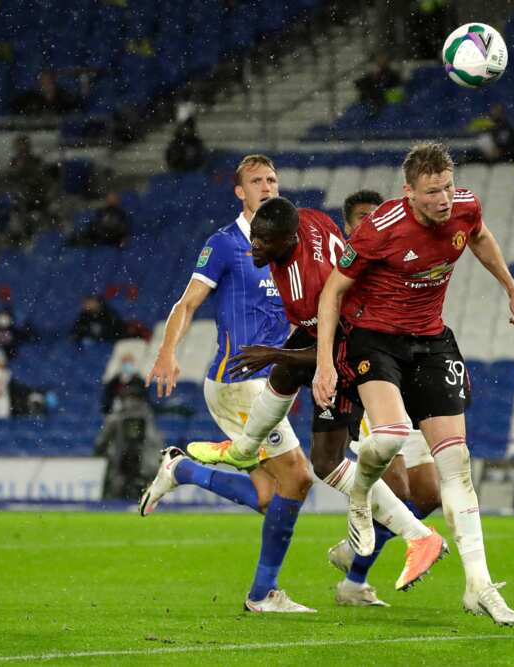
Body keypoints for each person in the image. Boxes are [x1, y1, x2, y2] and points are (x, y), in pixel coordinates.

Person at [187, 196, 445, 607]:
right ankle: (244, 448)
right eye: (254, 236)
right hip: (342, 331)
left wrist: (274, 354)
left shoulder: (309, 285)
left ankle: (420, 536)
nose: (254, 246)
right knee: (286, 371)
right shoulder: (307, 220)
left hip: (359, 348)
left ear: (288, 238)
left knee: (324, 461)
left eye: (263, 241)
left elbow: (342, 346)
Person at [313, 142, 514, 625]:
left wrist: (512, 290)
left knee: (457, 464)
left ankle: (479, 586)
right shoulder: (380, 229)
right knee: (388, 436)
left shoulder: (466, 206)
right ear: (408, 191)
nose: (444, 199)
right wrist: (326, 363)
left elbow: (479, 236)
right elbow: (333, 290)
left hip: (431, 342)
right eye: (432, 192)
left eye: (448, 187)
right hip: (375, 341)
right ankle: (361, 500)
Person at [141, 155, 315, 613]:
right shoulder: (224, 244)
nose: (267, 186)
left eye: (273, 179)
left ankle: (182, 470)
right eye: (256, 181)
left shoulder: (287, 245)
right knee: (297, 477)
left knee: (268, 495)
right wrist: (167, 351)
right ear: (240, 192)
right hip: (240, 383)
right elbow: (188, 301)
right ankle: (262, 595)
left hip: (272, 382)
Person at [95, 384, 165, 500]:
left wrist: (101, 451)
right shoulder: (149, 418)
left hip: (119, 469)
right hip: (145, 470)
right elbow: (156, 443)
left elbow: (101, 442)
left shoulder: (116, 417)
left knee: (113, 504)